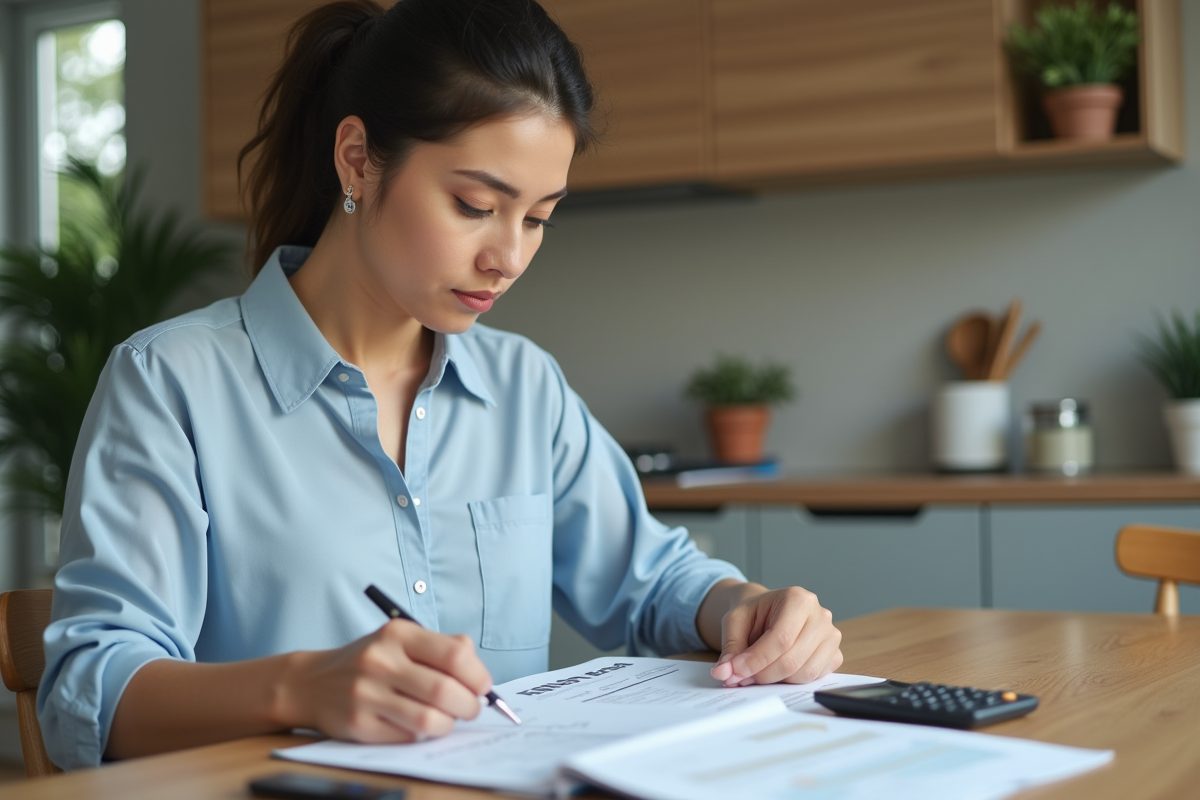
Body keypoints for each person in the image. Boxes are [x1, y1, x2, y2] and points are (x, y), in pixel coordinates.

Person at [38, 0, 842, 770]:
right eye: (474, 205)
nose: (510, 257)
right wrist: (300, 688)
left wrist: (743, 606)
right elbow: (87, 692)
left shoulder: (524, 386)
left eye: (537, 219)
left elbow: (653, 580)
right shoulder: (171, 383)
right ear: (357, 160)